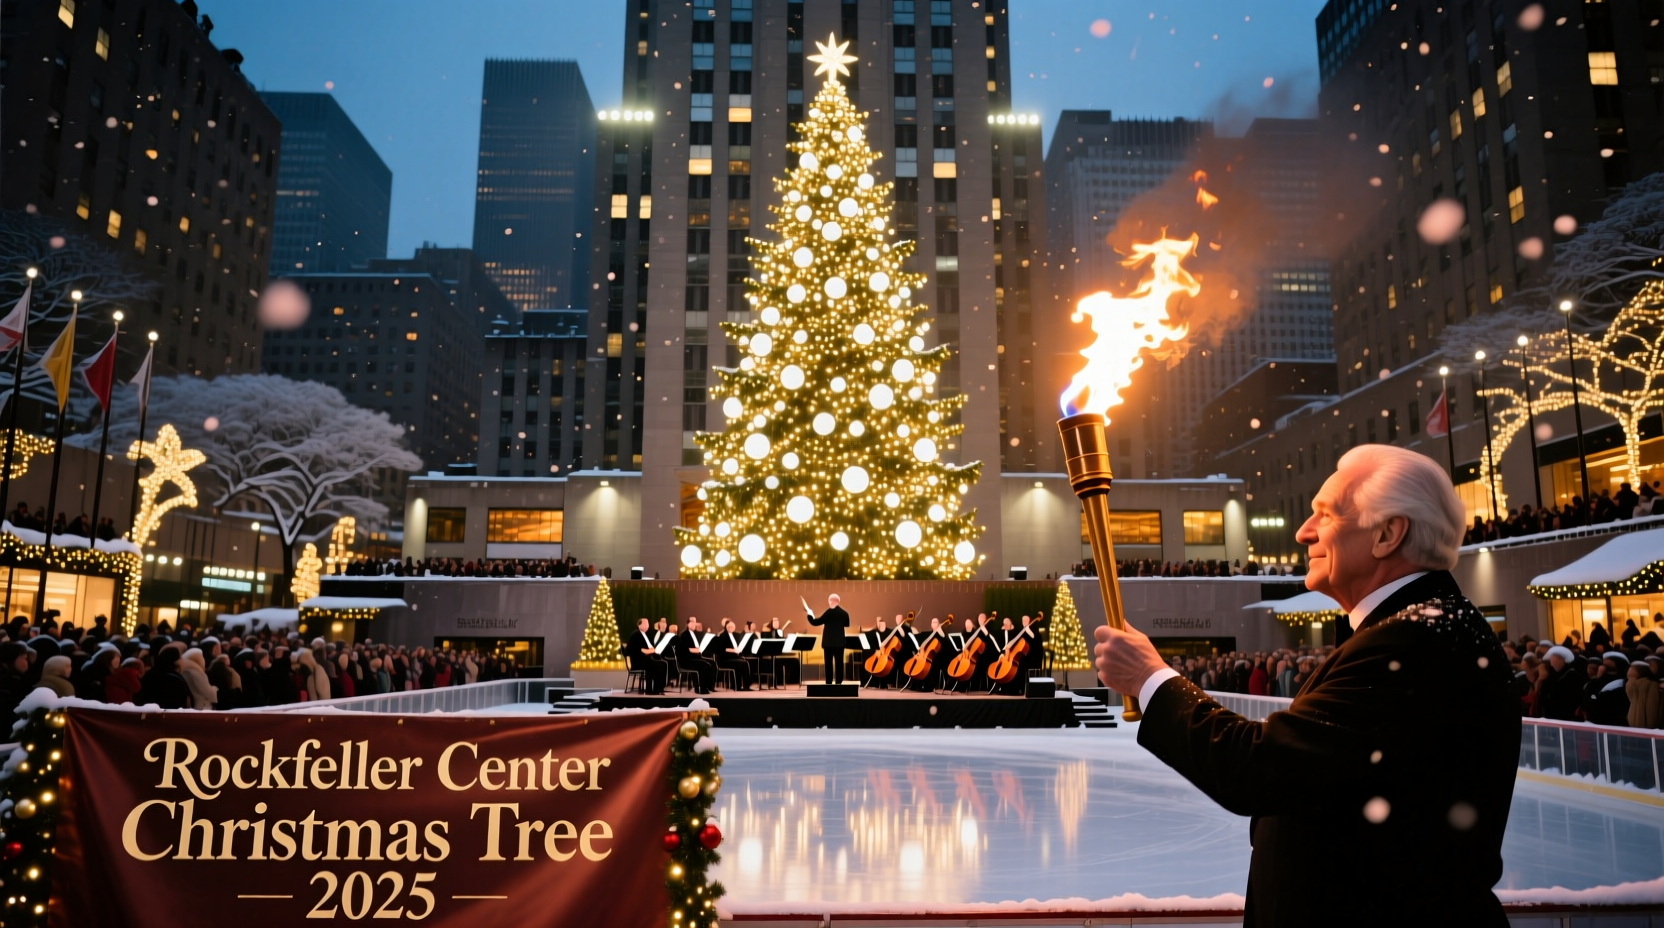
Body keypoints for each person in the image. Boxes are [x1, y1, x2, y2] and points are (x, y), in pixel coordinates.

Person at [1092, 443, 1518, 926]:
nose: (1303, 532)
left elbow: (1261, 766)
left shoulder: (1414, 641)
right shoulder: (1411, 631)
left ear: (1387, 534)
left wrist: (1150, 679)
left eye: (1326, 514)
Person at [807, 593, 850, 685]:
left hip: (828, 643)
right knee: (839, 664)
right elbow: (846, 624)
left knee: (828, 664)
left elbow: (815, 622)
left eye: (829, 601)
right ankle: (839, 683)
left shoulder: (829, 612)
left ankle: (829, 683)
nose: (829, 603)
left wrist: (810, 614)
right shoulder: (844, 613)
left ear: (832, 601)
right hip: (840, 643)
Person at [628, 618, 668, 695]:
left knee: (663, 664)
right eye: (645, 624)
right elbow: (643, 650)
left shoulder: (643, 635)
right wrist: (654, 650)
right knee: (657, 665)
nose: (647, 626)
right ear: (639, 625)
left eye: (648, 624)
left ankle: (659, 688)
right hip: (638, 662)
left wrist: (653, 650)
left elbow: (650, 648)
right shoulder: (637, 635)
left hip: (644, 659)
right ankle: (652, 690)